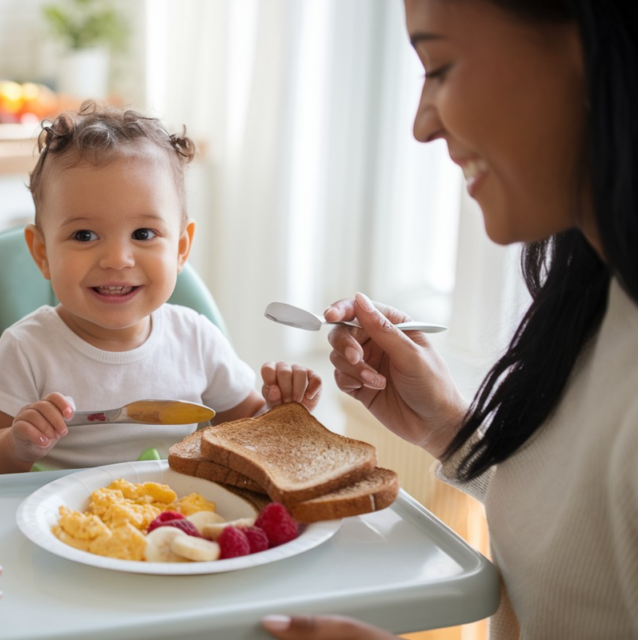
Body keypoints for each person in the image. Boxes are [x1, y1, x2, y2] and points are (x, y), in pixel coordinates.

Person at [262, 0, 638, 638]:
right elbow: (588, 547)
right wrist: (452, 431)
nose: (421, 125)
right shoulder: (597, 298)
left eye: (439, 66)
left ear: (593, 47)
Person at [0, 102, 323, 474]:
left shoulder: (196, 340)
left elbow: (248, 427)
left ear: (181, 248)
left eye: (143, 233)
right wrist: (17, 444)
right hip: (61, 525)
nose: (117, 259)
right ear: (42, 253)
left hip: (176, 524)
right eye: (84, 235)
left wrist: (282, 410)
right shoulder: (27, 350)